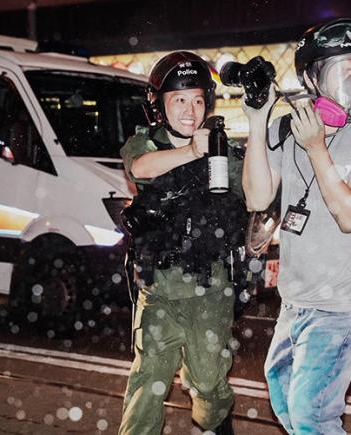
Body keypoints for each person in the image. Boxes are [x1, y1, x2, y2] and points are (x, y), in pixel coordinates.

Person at [242, 18, 351, 434]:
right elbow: (256, 198)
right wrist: (258, 122)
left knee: (311, 415)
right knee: (285, 401)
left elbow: (350, 214)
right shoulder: (281, 132)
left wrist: (316, 150)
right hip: (296, 299)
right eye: (340, 68)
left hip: (342, 304)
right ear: (312, 77)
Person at [118, 51, 246, 435]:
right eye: (179, 99)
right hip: (157, 288)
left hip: (210, 288)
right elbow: (139, 169)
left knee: (208, 384)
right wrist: (192, 152)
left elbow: (257, 194)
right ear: (160, 105)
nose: (190, 110)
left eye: (197, 99)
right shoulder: (145, 144)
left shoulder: (223, 151)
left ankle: (216, 421)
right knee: (147, 383)